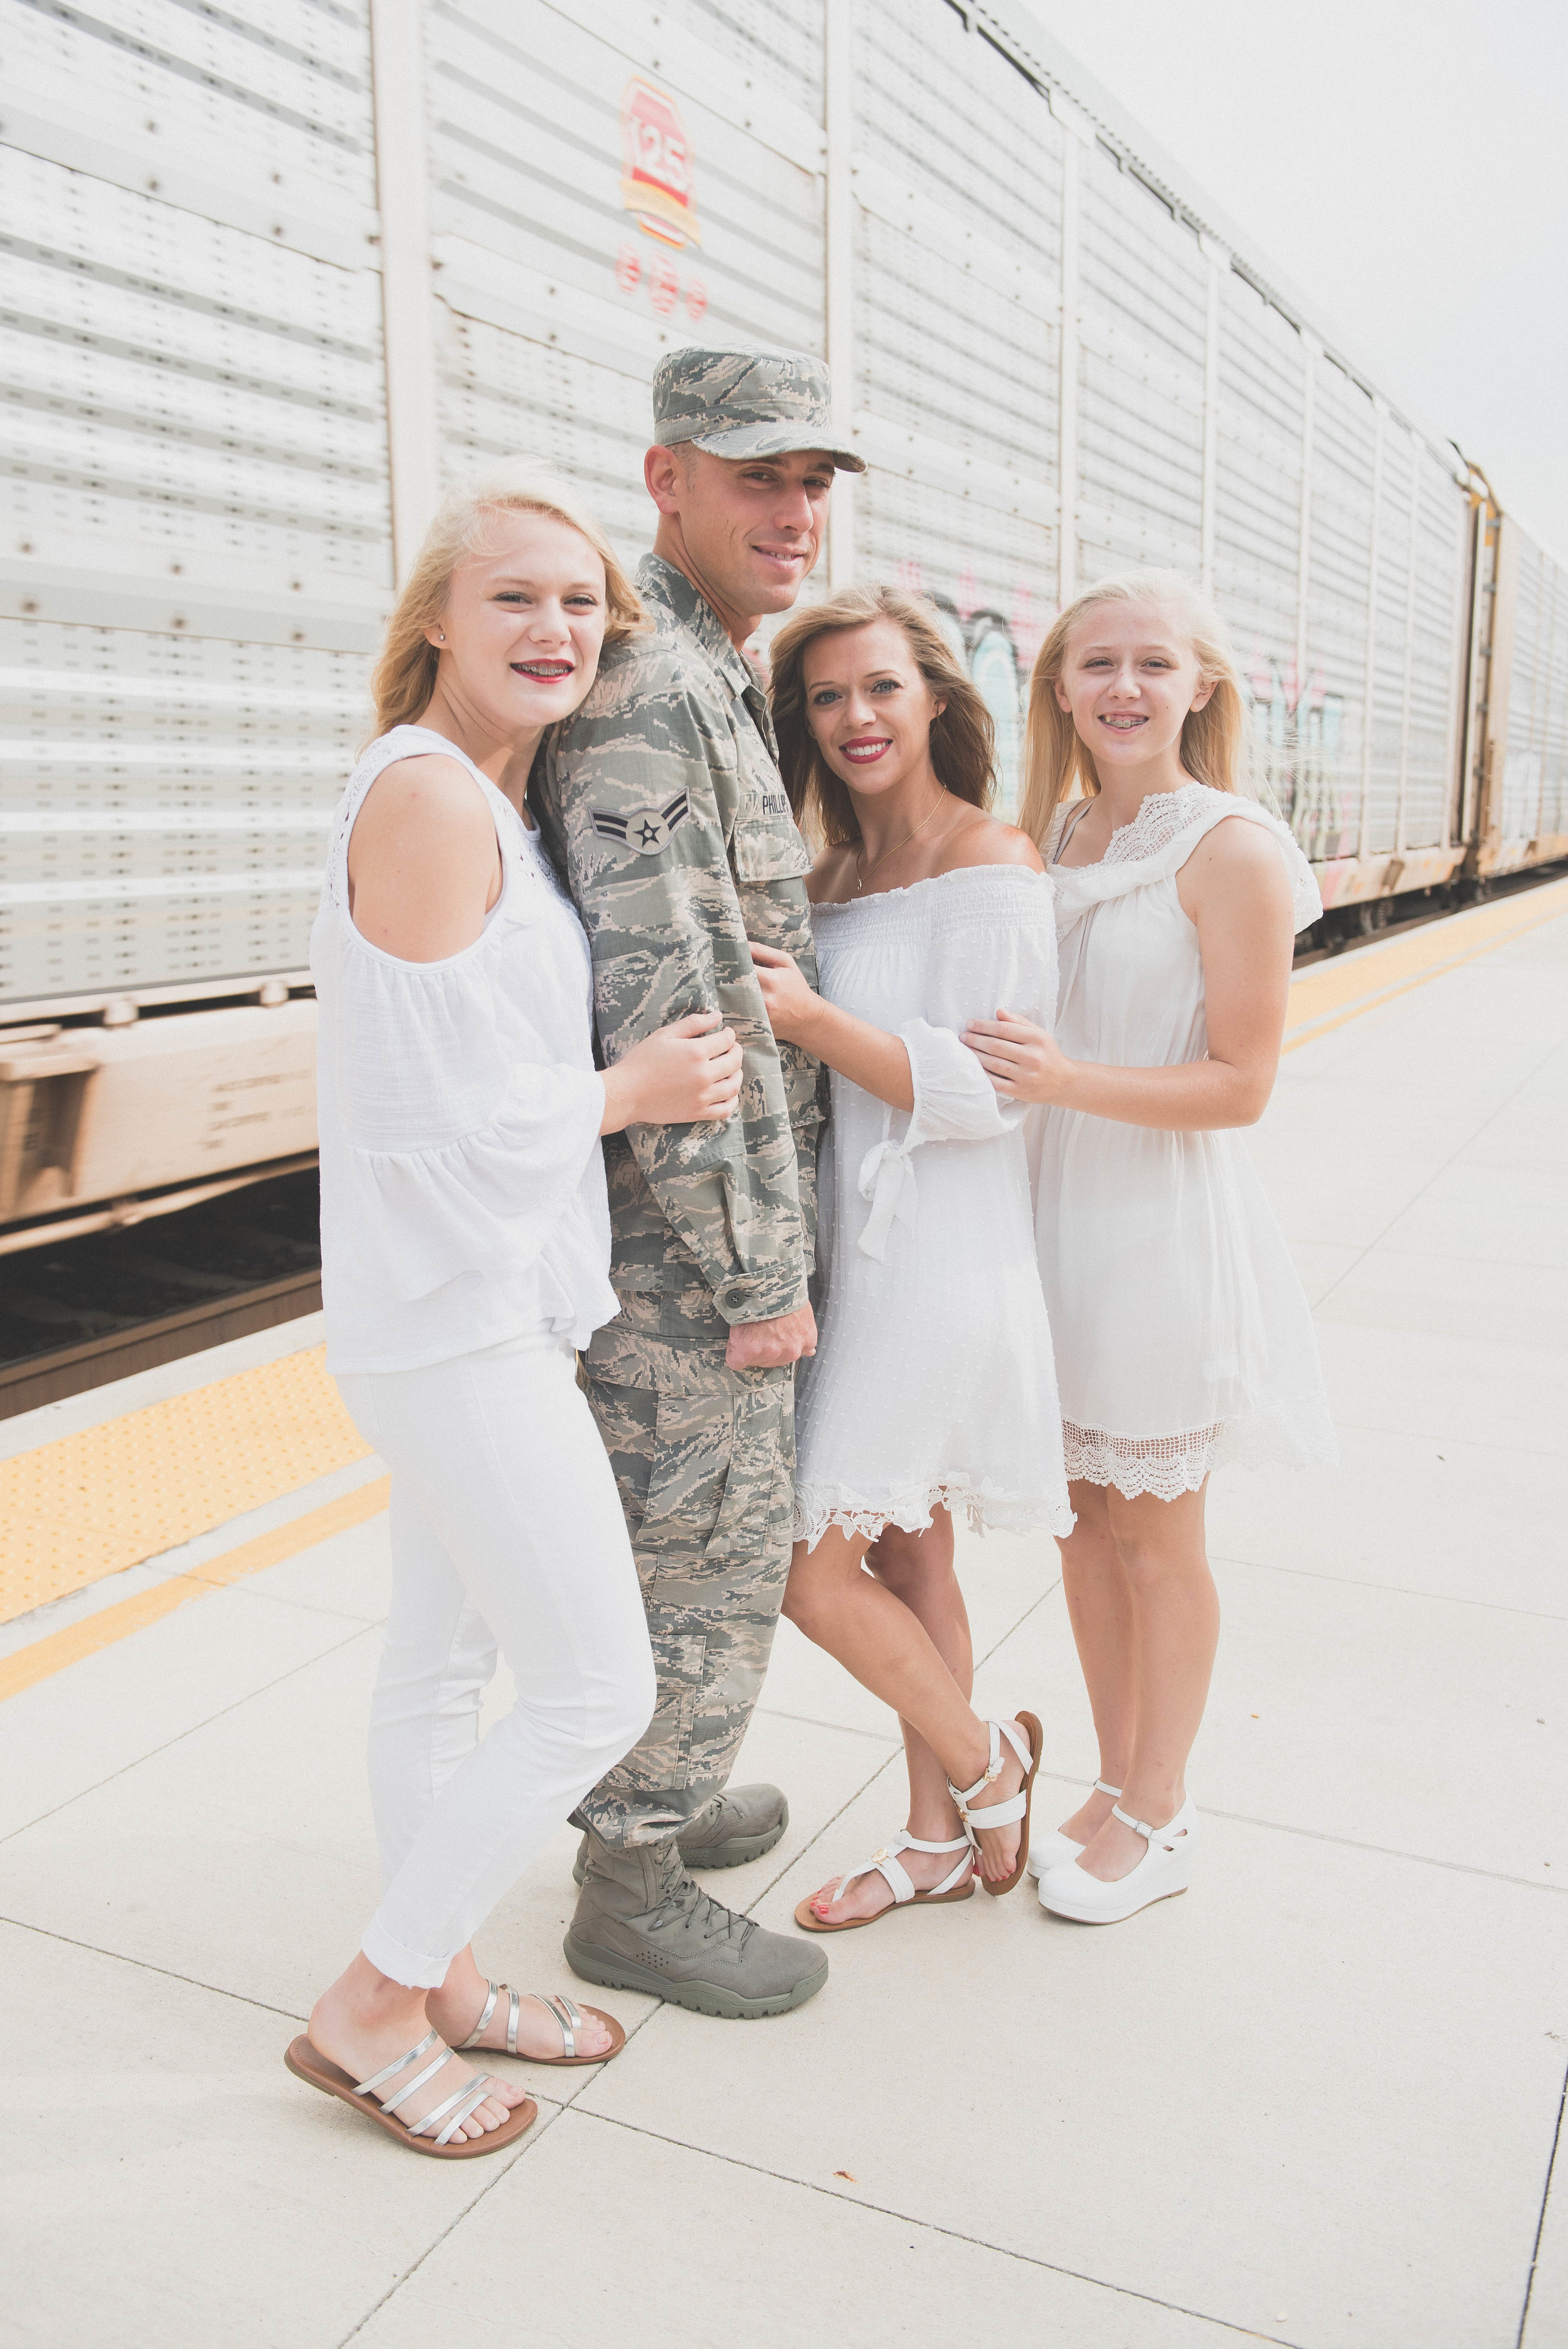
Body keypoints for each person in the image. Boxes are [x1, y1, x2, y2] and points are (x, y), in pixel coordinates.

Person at [285, 469, 745, 2157]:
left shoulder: (474, 793)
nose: (556, 628)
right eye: (515, 599)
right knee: (589, 1690)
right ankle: (372, 2002)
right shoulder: (426, 798)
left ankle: (451, 1982)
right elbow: (427, 1123)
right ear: (433, 623)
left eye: (580, 605)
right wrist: (623, 1088)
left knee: (439, 1668)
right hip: (455, 1319)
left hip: (462, 1313)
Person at [530, 347, 859, 2018]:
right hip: (683, 1241)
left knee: (688, 1547)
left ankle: (657, 1784)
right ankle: (633, 1873)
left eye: (812, 482)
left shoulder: (703, 661)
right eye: (757, 478)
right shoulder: (654, 685)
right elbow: (684, 1005)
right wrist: (760, 1272)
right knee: (708, 1548)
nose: (794, 512)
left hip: (680, 1215)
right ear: (666, 480)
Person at [962, 569, 1336, 1927]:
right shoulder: (1055, 831)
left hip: (1155, 1223)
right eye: (1094, 663)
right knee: (1081, 1524)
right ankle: (1117, 1779)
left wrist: (1061, 1082)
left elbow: (1239, 1083)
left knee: (1157, 1534)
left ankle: (1162, 1806)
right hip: (1050, 1214)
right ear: (1056, 686)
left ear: (1199, 688)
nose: (1122, 687)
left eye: (1150, 664)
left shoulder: (1228, 847)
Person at [744, 584, 1073, 1932]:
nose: (853, 717)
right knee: (914, 1562)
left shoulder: (990, 860)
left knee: (808, 1569)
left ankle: (985, 1762)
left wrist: (811, 1017)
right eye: (824, 697)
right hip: (854, 1257)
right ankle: (936, 1840)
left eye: (878, 687)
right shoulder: (825, 877)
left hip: (936, 1257)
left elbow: (990, 1094)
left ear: (934, 696)